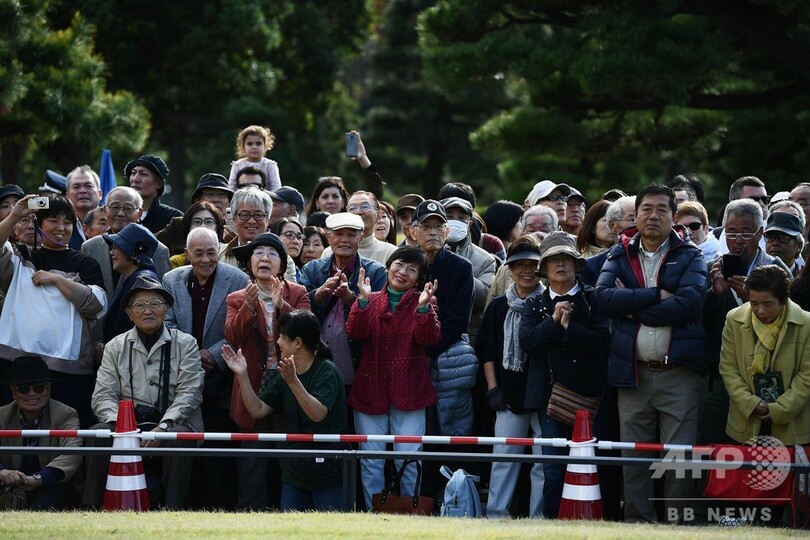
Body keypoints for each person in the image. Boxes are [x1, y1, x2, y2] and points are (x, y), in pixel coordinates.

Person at [595, 184, 708, 523]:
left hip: (679, 374)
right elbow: (603, 298)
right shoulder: (620, 252)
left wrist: (631, 305)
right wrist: (658, 295)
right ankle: (638, 524)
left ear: (674, 217)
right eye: (646, 208)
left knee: (679, 459)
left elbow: (689, 304)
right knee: (634, 458)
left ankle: (680, 524)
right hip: (633, 372)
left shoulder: (691, 255)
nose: (653, 215)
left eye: (661, 209)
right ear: (637, 214)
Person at [84, 275, 204, 509]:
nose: (147, 311)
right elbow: (102, 395)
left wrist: (164, 426)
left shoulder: (186, 343)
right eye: (139, 305)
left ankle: (173, 510)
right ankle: (93, 507)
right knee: (96, 433)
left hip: (171, 422)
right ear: (129, 312)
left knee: (178, 440)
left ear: (166, 309)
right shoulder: (115, 346)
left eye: (155, 304)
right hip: (125, 424)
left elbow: (191, 391)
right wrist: (123, 428)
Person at [344, 246, 441, 510]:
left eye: (412, 269)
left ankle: (413, 512)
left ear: (419, 278)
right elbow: (354, 332)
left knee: (409, 459)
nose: (403, 273)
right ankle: (373, 513)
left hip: (411, 392)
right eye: (399, 265)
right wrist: (361, 302)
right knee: (371, 460)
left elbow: (430, 339)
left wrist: (422, 310)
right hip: (369, 390)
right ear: (387, 268)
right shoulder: (370, 298)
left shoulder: (426, 301)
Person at [520, 231, 609, 518]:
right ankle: (551, 524)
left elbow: (603, 342)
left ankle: (596, 522)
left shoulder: (594, 299)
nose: (561, 264)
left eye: (566, 259)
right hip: (550, 400)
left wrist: (571, 328)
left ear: (577, 264)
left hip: (590, 398)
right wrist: (554, 324)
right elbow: (528, 344)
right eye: (554, 260)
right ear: (543, 269)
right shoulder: (534, 303)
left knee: (593, 466)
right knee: (553, 470)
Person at [223, 310, 347, 512]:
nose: (278, 342)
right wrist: (242, 376)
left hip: (327, 469)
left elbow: (318, 414)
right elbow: (258, 410)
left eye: (281, 336)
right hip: (294, 470)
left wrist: (293, 382)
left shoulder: (327, 371)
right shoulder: (286, 374)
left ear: (297, 343)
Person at [162, 227, 250, 509]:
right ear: (187, 254)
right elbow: (167, 322)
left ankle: (219, 506)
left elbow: (241, 325)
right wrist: (191, 353)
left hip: (221, 375)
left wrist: (212, 354)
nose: (205, 259)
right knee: (187, 442)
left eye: (211, 252)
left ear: (219, 252)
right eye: (198, 253)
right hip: (183, 373)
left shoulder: (237, 278)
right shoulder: (171, 279)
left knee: (217, 445)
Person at [0, 195, 106, 426]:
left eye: (67, 222)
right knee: (14, 434)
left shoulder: (86, 263)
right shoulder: (21, 257)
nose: (61, 228)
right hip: (16, 362)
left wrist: (57, 279)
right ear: (38, 224)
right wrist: (16, 214)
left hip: (69, 370)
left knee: (67, 432)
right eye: (53, 221)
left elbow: (96, 304)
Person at [224, 232, 310, 510]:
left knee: (291, 461)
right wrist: (249, 308)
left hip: (289, 382)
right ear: (248, 264)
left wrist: (281, 306)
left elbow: (308, 336)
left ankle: (293, 513)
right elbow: (233, 337)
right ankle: (250, 515)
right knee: (252, 464)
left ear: (282, 265)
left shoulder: (297, 293)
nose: (264, 258)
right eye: (258, 252)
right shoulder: (237, 297)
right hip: (253, 384)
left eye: (272, 253)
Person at [477, 236, 546, 519]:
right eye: (520, 265)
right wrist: (493, 389)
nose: (527, 271)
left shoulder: (550, 301)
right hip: (508, 393)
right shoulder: (498, 306)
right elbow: (487, 350)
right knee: (504, 459)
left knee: (544, 461)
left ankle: (539, 517)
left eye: (533, 264)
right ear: (510, 269)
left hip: (545, 394)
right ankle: (497, 515)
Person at [720, 265, 810, 445]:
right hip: (746, 420)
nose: (760, 311)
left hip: (791, 424)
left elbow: (806, 376)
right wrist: (751, 403)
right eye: (754, 303)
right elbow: (728, 369)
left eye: (768, 304)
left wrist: (780, 409)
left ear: (783, 300)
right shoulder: (734, 319)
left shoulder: (805, 324)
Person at [298, 213, 387, 394]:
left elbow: (380, 318)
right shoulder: (312, 269)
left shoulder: (375, 272)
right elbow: (298, 312)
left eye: (351, 234)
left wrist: (351, 300)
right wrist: (318, 295)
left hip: (357, 364)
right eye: (338, 234)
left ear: (361, 237)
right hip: (315, 362)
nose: (344, 240)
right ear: (329, 236)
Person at [0, 355, 82, 510]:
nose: (32, 393)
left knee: (45, 503)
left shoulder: (66, 414)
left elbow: (73, 454)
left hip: (52, 486)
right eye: (24, 388)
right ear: (12, 392)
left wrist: (38, 479)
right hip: (8, 487)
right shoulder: (2, 416)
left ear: (49, 389)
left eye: (39, 387)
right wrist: (2, 472)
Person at [81, 186, 171, 298]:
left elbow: (162, 298)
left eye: (128, 208)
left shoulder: (158, 250)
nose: (120, 213)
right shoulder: (90, 247)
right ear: (105, 211)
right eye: (114, 207)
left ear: (139, 213)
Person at [218, 187, 297, 283]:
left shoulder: (283, 259)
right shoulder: (218, 254)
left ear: (267, 219)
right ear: (234, 219)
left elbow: (290, 295)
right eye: (245, 215)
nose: (251, 221)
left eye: (258, 215)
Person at [101, 223, 160, 342]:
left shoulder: (143, 281)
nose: (111, 253)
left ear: (132, 251)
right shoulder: (133, 278)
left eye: (116, 247)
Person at [157, 173, 234, 257]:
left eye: (221, 195)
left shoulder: (233, 229)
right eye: (209, 194)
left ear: (229, 202)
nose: (216, 199)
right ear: (197, 200)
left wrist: (235, 244)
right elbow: (150, 242)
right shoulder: (179, 225)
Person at [321, 191, 398, 265]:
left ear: (378, 215)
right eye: (352, 208)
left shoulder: (390, 252)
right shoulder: (330, 252)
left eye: (365, 206)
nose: (358, 212)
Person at [125, 154, 183, 234]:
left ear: (159, 183)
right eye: (133, 173)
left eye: (143, 174)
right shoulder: (118, 213)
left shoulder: (172, 218)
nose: (135, 179)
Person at [167, 201, 226, 269]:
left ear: (217, 227)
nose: (203, 226)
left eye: (209, 222)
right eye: (197, 222)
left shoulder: (227, 257)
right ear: (188, 227)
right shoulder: (177, 262)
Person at [227, 125, 282, 192]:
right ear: (243, 147)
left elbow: (276, 187)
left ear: (265, 146)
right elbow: (231, 188)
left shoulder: (270, 165)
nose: (254, 147)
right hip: (241, 199)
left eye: (258, 144)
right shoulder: (238, 165)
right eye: (250, 144)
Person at [64, 165, 102, 249]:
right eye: (76, 187)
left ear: (100, 194)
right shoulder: (61, 227)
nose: (83, 191)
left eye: (88, 186)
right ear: (67, 196)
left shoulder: (111, 223)